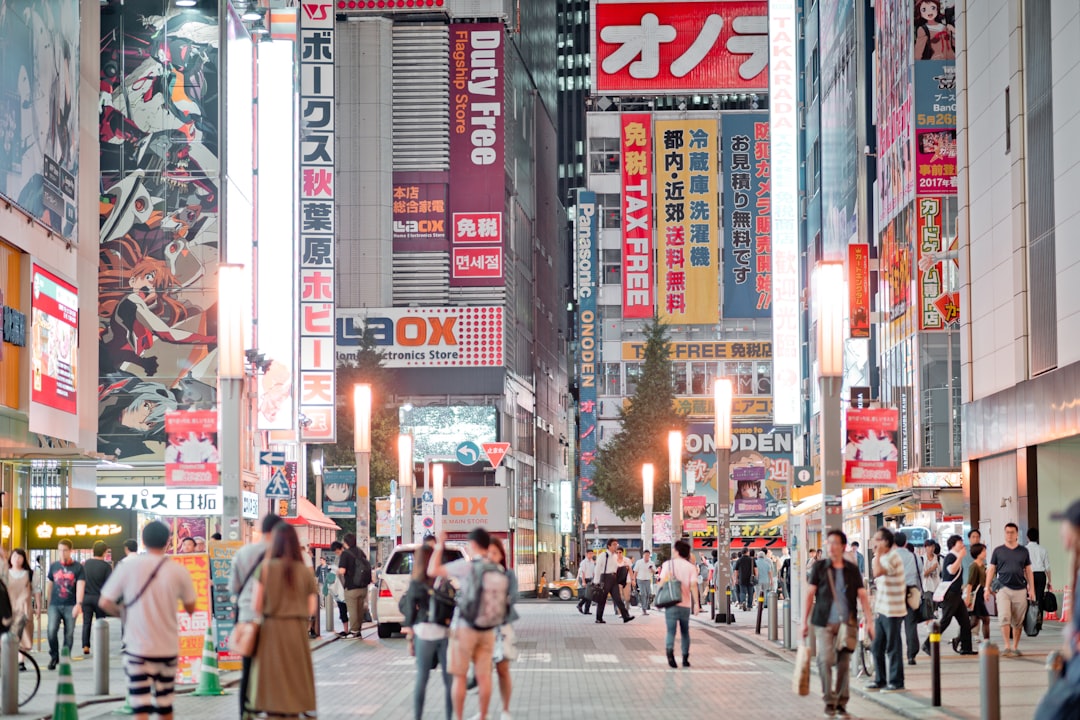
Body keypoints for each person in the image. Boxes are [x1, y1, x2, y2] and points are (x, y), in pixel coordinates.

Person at [99, 521, 196, 720]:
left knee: (140, 706)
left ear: (143, 540)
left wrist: (123, 614)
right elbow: (191, 606)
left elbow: (105, 601)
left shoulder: (128, 566)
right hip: (167, 649)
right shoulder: (178, 570)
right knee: (165, 705)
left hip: (137, 649)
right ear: (168, 542)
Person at [428, 528, 507, 720]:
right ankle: (483, 716)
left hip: (464, 627)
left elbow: (432, 570)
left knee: (460, 676)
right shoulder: (498, 569)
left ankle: (460, 717)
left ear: (472, 545)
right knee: (484, 676)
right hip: (488, 629)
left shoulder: (466, 566)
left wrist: (439, 545)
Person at [802, 530, 875, 718]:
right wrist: (804, 622)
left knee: (844, 662)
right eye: (829, 543)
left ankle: (841, 703)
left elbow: (862, 595)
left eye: (835, 543)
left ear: (843, 546)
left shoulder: (851, 570)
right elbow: (810, 594)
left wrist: (869, 621)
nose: (831, 546)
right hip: (823, 622)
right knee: (825, 660)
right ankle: (829, 700)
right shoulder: (820, 567)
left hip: (847, 622)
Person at [247, 523, 317, 718]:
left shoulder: (265, 568)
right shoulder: (304, 571)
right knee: (295, 675)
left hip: (271, 630)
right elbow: (312, 607)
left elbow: (256, 605)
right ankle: (295, 710)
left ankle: (273, 711)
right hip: (296, 630)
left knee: (272, 676)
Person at [228, 514, 284, 717]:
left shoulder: (243, 553)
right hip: (274, 619)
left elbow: (233, 587)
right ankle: (271, 709)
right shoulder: (282, 554)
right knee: (275, 668)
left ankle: (246, 711)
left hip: (246, 618)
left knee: (248, 668)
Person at [402, 544, 452, 720]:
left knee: (421, 679)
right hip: (444, 633)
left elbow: (410, 614)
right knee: (449, 681)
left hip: (423, 633)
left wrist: (410, 640)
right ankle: (450, 716)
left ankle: (418, 717)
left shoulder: (416, 583)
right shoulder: (441, 579)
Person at [984, 522, 1036, 657]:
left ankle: (1015, 646)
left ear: (1017, 534)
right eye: (1007, 532)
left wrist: (1032, 589)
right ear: (1004, 533)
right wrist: (986, 587)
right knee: (1004, 617)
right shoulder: (998, 551)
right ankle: (1007, 646)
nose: (1009, 535)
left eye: (1012, 532)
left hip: (1020, 589)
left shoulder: (1023, 551)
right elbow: (991, 569)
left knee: (1018, 621)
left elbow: (1029, 570)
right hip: (1003, 588)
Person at [868, 527, 907, 692]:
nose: (874, 543)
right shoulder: (884, 557)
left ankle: (896, 681)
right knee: (877, 646)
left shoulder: (892, 557)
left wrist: (877, 554)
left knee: (893, 646)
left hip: (893, 610)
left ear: (885, 542)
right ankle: (880, 679)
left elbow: (876, 572)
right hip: (882, 609)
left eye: (877, 540)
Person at [926, 535, 976, 656]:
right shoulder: (950, 556)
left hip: (956, 595)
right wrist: (960, 557)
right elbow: (951, 571)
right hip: (950, 595)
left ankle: (966, 648)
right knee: (945, 622)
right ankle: (928, 644)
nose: (962, 544)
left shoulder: (955, 556)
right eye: (960, 542)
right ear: (954, 544)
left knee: (965, 622)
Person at [489, 538, 517, 720]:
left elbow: (513, 597)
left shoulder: (508, 574)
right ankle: (483, 711)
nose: (491, 557)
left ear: (501, 555)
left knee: (502, 669)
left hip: (502, 627)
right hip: (482, 629)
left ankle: (505, 710)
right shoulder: (479, 573)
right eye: (488, 553)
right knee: (484, 672)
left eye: (494, 553)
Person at [659, 540, 699, 668]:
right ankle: (685, 658)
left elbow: (662, 582)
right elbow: (693, 586)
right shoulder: (691, 567)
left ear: (676, 551)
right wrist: (696, 603)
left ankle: (670, 655)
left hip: (671, 602)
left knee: (671, 631)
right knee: (685, 632)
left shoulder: (668, 565)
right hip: (685, 604)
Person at [46, 539, 85, 670]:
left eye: (65, 550)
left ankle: (65, 657)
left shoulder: (78, 567)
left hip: (70, 604)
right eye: (60, 550)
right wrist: (49, 603)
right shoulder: (54, 566)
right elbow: (50, 585)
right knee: (51, 631)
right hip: (55, 605)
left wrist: (78, 604)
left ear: (71, 551)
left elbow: (81, 586)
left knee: (69, 633)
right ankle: (54, 656)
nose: (62, 553)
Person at [894, 532, 923, 666]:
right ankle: (911, 655)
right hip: (911, 592)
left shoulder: (891, 557)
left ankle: (896, 654)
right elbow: (920, 575)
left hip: (895, 593)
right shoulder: (915, 556)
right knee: (910, 625)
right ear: (905, 542)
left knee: (895, 626)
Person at [337, 532, 372, 637]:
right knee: (359, 610)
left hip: (351, 586)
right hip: (363, 586)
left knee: (352, 611)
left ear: (345, 542)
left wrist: (337, 571)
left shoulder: (345, 554)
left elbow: (342, 571)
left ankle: (354, 631)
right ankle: (358, 630)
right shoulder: (360, 552)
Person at [81, 541, 113, 656]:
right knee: (100, 622)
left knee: (86, 623)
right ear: (104, 552)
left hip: (86, 597)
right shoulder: (106, 566)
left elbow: (81, 581)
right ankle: (100, 645)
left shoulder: (86, 564)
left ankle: (85, 646)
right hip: (100, 598)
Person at [591, 539, 634, 624]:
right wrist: (596, 581)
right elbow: (597, 568)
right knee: (602, 599)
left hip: (613, 579)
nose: (616, 546)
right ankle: (599, 618)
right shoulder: (603, 555)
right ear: (609, 546)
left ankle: (625, 616)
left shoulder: (615, 556)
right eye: (614, 545)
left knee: (618, 599)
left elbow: (616, 567)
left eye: (616, 544)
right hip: (605, 578)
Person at [965, 543, 991, 644]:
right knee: (986, 618)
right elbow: (970, 583)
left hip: (980, 595)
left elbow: (984, 582)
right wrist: (968, 598)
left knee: (974, 622)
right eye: (983, 551)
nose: (985, 553)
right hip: (975, 596)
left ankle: (958, 638)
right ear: (978, 553)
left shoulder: (983, 565)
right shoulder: (974, 566)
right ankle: (987, 642)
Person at [7, 549, 32, 657]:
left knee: (24, 634)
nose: (17, 559)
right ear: (10, 559)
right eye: (14, 556)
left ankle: (21, 660)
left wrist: (39, 606)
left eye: (19, 557)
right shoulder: (4, 573)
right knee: (9, 634)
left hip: (24, 608)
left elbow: (36, 590)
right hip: (8, 608)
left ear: (24, 559)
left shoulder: (29, 574)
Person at [1027, 527, 1052, 606]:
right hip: (1041, 575)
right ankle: (1039, 616)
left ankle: (1031, 616)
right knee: (1040, 597)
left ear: (1028, 537)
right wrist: (1049, 580)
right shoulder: (1043, 549)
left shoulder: (1025, 550)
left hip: (1030, 574)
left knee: (1030, 596)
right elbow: (1047, 567)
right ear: (1037, 537)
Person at [329, 541, 349, 632]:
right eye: (335, 552)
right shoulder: (337, 558)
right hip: (340, 587)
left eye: (337, 551)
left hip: (348, 586)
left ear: (341, 548)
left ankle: (351, 630)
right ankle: (346, 630)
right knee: (342, 609)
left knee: (348, 609)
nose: (336, 554)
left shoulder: (347, 556)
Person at [632, 550, 656, 615]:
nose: (647, 557)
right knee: (643, 594)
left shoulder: (651, 563)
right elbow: (635, 572)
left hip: (648, 580)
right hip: (640, 580)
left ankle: (646, 605)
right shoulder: (639, 562)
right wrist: (633, 580)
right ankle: (644, 609)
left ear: (649, 556)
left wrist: (651, 569)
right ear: (643, 555)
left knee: (648, 594)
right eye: (645, 555)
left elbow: (654, 572)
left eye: (648, 555)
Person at [576, 550, 595, 615]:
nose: (591, 555)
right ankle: (580, 604)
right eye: (589, 553)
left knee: (590, 595)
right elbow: (583, 572)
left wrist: (593, 579)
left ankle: (586, 610)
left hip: (590, 579)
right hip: (584, 579)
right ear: (586, 554)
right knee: (587, 594)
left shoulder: (592, 562)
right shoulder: (583, 562)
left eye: (592, 553)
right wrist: (583, 582)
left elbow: (593, 572)